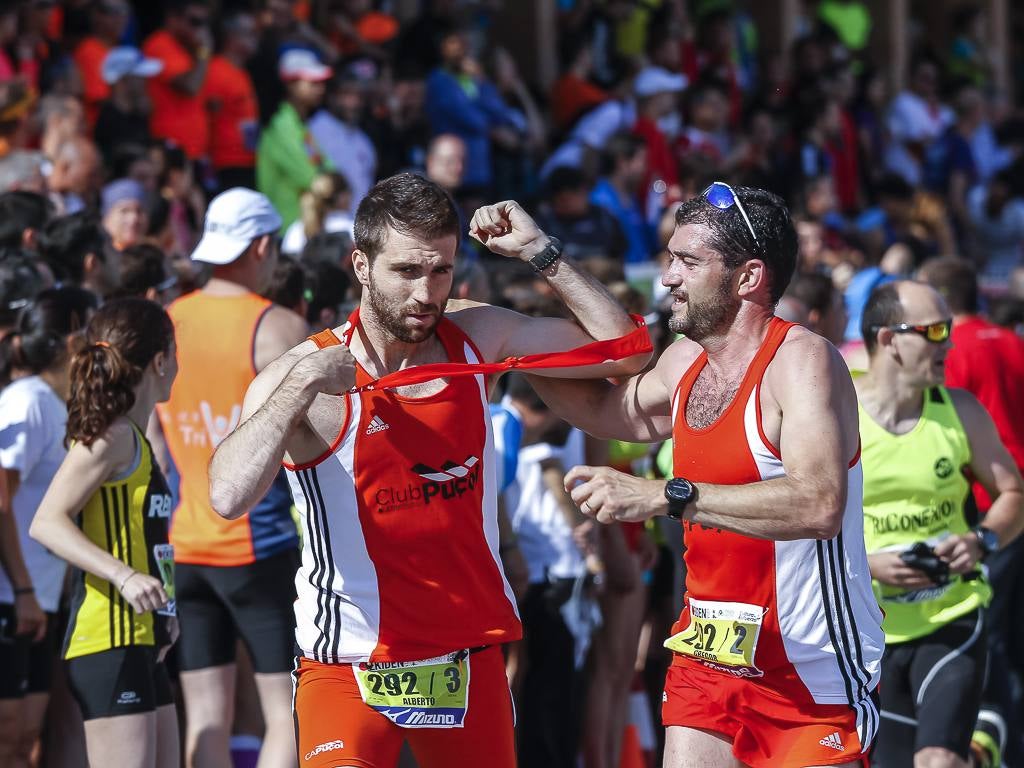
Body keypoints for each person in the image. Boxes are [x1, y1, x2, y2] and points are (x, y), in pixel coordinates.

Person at [207, 172, 648, 768]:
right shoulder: (305, 372)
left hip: (465, 656)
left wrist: (540, 252)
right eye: (407, 271)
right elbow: (228, 495)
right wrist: (300, 388)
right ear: (360, 265)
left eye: (440, 270)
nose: (426, 293)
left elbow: (628, 350)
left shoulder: (476, 337)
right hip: (351, 663)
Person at [530, 182, 885, 767]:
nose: (667, 277)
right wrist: (506, 331)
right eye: (670, 258)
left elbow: (819, 504)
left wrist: (667, 496)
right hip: (708, 653)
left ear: (747, 278)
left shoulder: (801, 361)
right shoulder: (685, 359)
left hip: (809, 666)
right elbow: (600, 409)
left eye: (688, 262)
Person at [151, 187, 308, 768]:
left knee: (208, 716)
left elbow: (154, 443)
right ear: (264, 245)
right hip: (257, 545)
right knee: (286, 713)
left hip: (185, 545)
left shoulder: (168, 321)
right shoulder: (278, 326)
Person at [854, 280, 1024, 768]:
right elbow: (801, 519)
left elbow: (1012, 493)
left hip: (952, 616)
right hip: (870, 632)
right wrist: (866, 565)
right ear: (888, 339)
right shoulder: (837, 413)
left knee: (936, 762)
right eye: (934, 330)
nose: (948, 343)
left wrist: (982, 539)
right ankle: (983, 747)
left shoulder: (960, 411)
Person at [29, 297, 179, 768]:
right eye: (177, 351)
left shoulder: (135, 436)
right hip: (108, 638)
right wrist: (124, 576)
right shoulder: (111, 437)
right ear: (160, 360)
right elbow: (46, 521)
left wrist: (165, 611)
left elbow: (147, 538)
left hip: (144, 636)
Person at [918, 257, 1024, 765]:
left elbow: (939, 429)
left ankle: (988, 739)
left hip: (978, 511)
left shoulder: (948, 354)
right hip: (1013, 500)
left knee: (990, 635)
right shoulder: (1010, 340)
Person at [0, 288, 96, 767]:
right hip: (13, 598)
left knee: (25, 742)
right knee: (8, 739)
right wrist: (21, 589)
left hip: (37, 600)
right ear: (72, 340)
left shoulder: (58, 402)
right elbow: (0, 501)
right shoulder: (28, 402)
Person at [256, 49, 332, 230]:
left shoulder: (299, 124)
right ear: (291, 85)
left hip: (301, 227)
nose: (321, 88)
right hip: (286, 229)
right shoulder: (282, 126)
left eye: (321, 82)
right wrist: (333, 182)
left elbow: (328, 169)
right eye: (313, 83)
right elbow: (316, 180)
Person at [142, 0, 213, 160]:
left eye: (204, 23)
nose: (200, 29)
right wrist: (204, 52)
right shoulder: (160, 44)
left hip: (194, 150)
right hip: (171, 148)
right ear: (173, 18)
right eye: (195, 21)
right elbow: (190, 87)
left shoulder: (187, 49)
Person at [205, 10, 260, 192]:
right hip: (225, 164)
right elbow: (208, 116)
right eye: (250, 33)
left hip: (247, 161)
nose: (255, 38)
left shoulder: (242, 72)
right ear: (232, 36)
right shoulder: (215, 70)